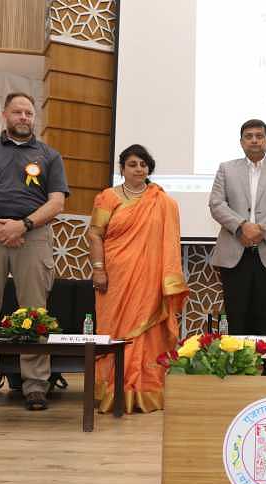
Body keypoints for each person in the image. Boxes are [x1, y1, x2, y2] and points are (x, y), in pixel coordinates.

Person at [0, 92, 69, 412]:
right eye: (18, 112)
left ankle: (35, 386)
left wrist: (23, 225)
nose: (24, 117)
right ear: (4, 115)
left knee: (34, 313)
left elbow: (57, 202)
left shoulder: (49, 156)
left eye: (29, 113)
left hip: (33, 236)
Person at [87, 144, 189, 413]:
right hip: (116, 277)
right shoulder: (108, 197)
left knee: (148, 333)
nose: (139, 169)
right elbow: (95, 234)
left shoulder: (163, 202)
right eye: (132, 164)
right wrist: (98, 269)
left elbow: (168, 244)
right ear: (122, 169)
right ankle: (112, 389)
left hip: (150, 280)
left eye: (143, 165)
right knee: (115, 332)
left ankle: (145, 390)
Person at [208, 119, 266, 338]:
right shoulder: (226, 169)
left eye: (259, 136)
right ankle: (239, 360)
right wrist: (241, 226)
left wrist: (261, 230)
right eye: (249, 136)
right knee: (237, 318)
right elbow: (216, 204)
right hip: (234, 253)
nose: (254, 140)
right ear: (241, 142)